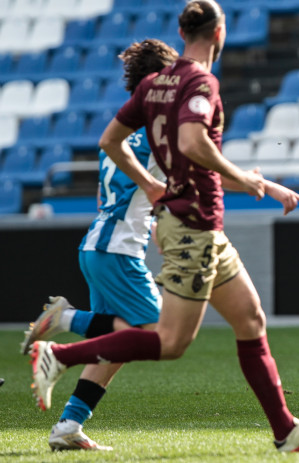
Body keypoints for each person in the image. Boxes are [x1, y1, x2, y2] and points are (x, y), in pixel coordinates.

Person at [28, 0, 299, 453]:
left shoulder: (155, 84)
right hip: (192, 225)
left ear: (181, 31)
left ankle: (285, 429)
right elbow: (195, 143)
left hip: (200, 226)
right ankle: (58, 355)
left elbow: (109, 141)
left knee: (251, 319)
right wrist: (243, 178)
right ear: (220, 32)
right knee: (169, 340)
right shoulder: (199, 81)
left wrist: (155, 187)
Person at [20, 39, 180, 451]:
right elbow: (172, 188)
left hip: (99, 244)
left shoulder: (121, 130)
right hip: (118, 251)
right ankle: (64, 323)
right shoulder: (157, 133)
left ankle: (68, 426)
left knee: (116, 348)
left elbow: (108, 195)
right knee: (157, 331)